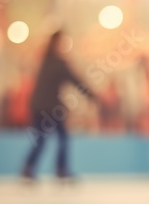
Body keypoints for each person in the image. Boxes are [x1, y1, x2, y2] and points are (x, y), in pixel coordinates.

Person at [21, 31, 98, 181]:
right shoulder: (58, 63)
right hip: (49, 108)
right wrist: (91, 95)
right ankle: (60, 169)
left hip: (38, 106)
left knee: (41, 139)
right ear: (58, 43)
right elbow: (76, 80)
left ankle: (29, 168)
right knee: (62, 138)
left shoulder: (45, 61)